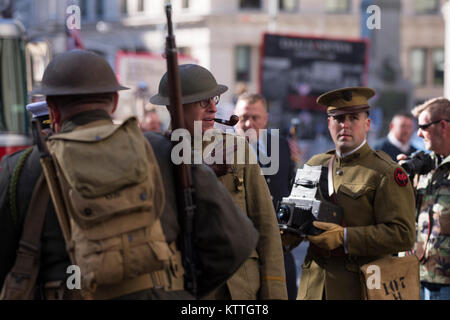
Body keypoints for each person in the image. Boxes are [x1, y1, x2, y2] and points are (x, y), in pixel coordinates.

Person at [0, 50, 258, 300]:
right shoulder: (164, 150)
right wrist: (182, 290)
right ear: (113, 101)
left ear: (52, 110)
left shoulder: (19, 169)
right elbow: (237, 240)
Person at [150, 64, 288, 300]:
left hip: (240, 290)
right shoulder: (154, 156)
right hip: (184, 289)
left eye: (214, 99)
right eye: (202, 101)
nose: (213, 107)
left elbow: (266, 227)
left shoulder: (236, 149)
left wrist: (274, 292)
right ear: (174, 106)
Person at [283, 86, 416, 300]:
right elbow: (296, 221)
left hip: (358, 287)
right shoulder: (314, 164)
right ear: (329, 124)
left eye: (353, 118)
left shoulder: (386, 172)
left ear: (367, 124)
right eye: (338, 118)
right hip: (313, 287)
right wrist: (287, 232)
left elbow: (403, 234)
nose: (345, 124)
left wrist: (344, 237)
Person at [233, 92, 297, 300]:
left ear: (266, 119)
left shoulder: (281, 146)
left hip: (278, 250)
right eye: (243, 117)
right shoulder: (221, 150)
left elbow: (289, 189)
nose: (249, 123)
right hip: (240, 254)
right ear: (235, 117)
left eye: (255, 117)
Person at [401, 97, 450, 300]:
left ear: (443, 126)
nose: (418, 133)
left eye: (423, 126)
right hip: (415, 275)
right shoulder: (423, 166)